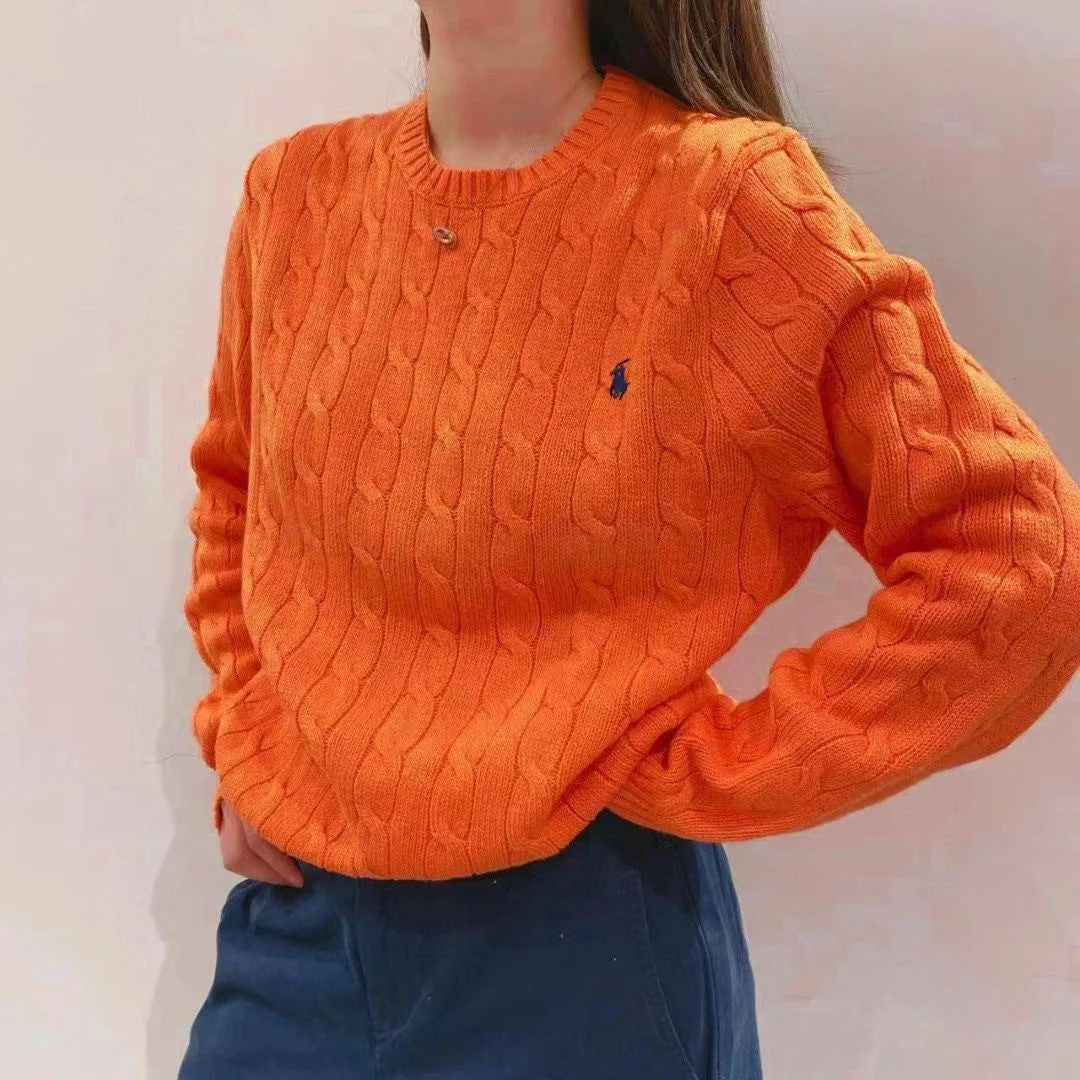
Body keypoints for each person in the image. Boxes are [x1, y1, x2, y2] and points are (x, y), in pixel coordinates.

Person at [177, 2, 1080, 1077]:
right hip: (296, 936)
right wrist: (240, 733)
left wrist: (722, 772)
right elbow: (235, 491)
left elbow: (1019, 557)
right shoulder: (293, 195)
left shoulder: (730, 202)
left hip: (590, 949)